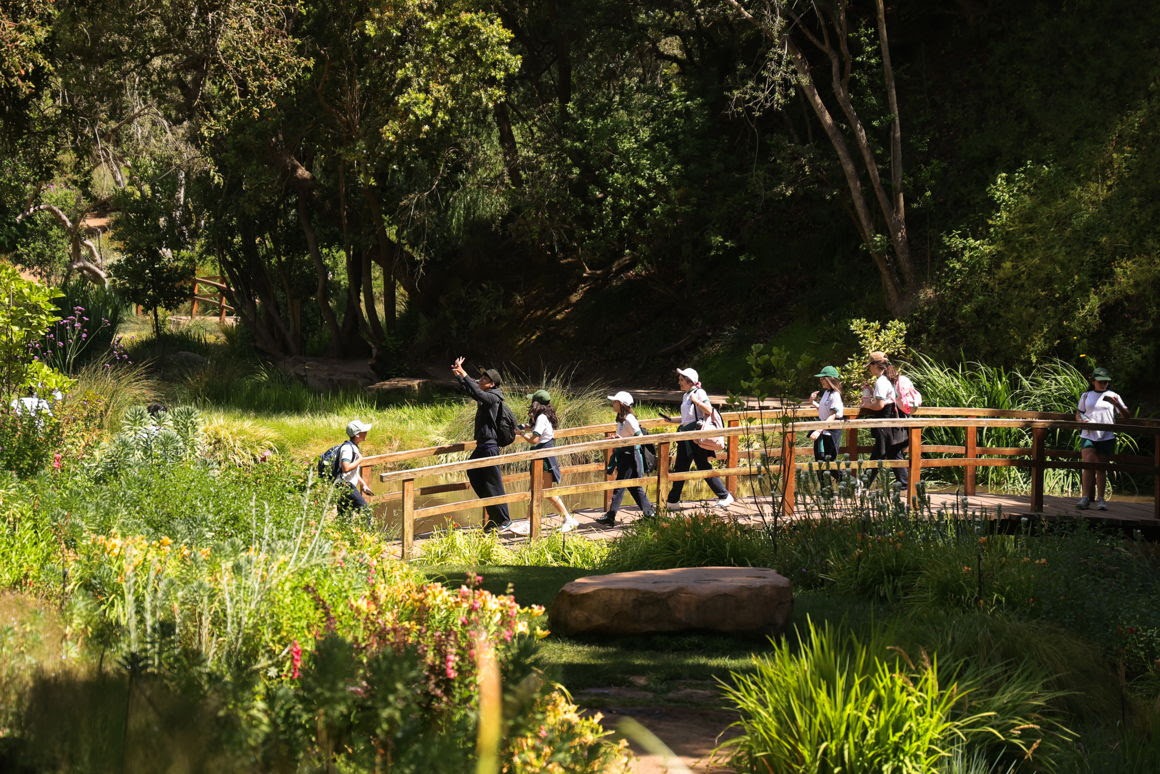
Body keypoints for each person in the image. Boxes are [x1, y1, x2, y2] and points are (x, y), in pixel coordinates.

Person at [451, 356, 513, 533]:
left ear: (492, 384)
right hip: (482, 446)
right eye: (482, 378)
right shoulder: (485, 397)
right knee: (474, 474)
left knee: (494, 483)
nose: (481, 380)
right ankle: (494, 516)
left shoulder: (494, 397)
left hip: (490, 446)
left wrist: (465, 373)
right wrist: (459, 376)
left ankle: (505, 519)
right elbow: (472, 391)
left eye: (485, 379)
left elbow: (478, 393)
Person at [658, 367, 734, 509]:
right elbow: (688, 418)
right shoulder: (686, 395)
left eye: (681, 380)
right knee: (682, 466)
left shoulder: (699, 393)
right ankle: (673, 501)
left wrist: (696, 401)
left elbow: (709, 410)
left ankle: (724, 495)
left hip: (695, 437)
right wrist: (672, 420)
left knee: (698, 466)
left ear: (690, 381)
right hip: (686, 435)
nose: (679, 382)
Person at [519, 389, 578, 532]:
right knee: (534, 490)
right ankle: (529, 522)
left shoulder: (541, 418)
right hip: (541, 456)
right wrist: (525, 426)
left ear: (536, 403)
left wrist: (521, 434)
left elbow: (535, 439)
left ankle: (568, 519)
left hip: (544, 457)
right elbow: (536, 429)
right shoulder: (544, 416)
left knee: (547, 491)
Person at [595, 391, 656, 526]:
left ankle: (610, 516)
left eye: (615, 402)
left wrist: (623, 441)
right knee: (634, 487)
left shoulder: (629, 419)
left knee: (620, 485)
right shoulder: (622, 418)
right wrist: (618, 439)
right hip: (624, 455)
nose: (613, 404)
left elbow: (640, 437)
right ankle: (650, 514)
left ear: (621, 404)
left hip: (630, 456)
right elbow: (626, 436)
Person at [1075, 366, 1129, 510]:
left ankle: (1101, 499)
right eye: (1100, 381)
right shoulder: (1086, 396)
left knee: (1101, 468)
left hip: (1106, 436)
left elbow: (1127, 416)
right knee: (1087, 465)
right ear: (1093, 381)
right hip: (1088, 434)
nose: (1103, 384)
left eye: (1106, 382)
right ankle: (1085, 498)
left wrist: (1116, 404)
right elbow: (1078, 413)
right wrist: (1081, 421)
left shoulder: (1114, 395)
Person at [859, 352, 908, 489]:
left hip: (884, 420)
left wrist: (866, 405)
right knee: (893, 451)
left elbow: (879, 405)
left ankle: (864, 485)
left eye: (870, 366)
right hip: (892, 418)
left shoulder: (881, 381)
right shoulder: (889, 379)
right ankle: (905, 484)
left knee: (879, 453)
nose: (869, 369)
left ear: (876, 365)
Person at [809, 365, 846, 491]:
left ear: (830, 379)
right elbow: (823, 410)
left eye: (823, 379)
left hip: (830, 432)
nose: (821, 381)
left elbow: (832, 415)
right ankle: (826, 492)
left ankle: (850, 483)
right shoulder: (826, 393)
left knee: (828, 462)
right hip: (823, 430)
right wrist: (812, 402)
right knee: (820, 461)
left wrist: (818, 430)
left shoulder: (835, 395)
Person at [338, 419, 375, 518]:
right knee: (366, 512)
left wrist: (363, 485)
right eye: (364, 431)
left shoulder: (353, 447)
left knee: (345, 517)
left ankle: (344, 532)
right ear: (357, 434)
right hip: (346, 486)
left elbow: (353, 472)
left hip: (344, 486)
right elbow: (345, 468)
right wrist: (360, 460)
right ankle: (367, 533)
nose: (366, 433)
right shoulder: (347, 449)